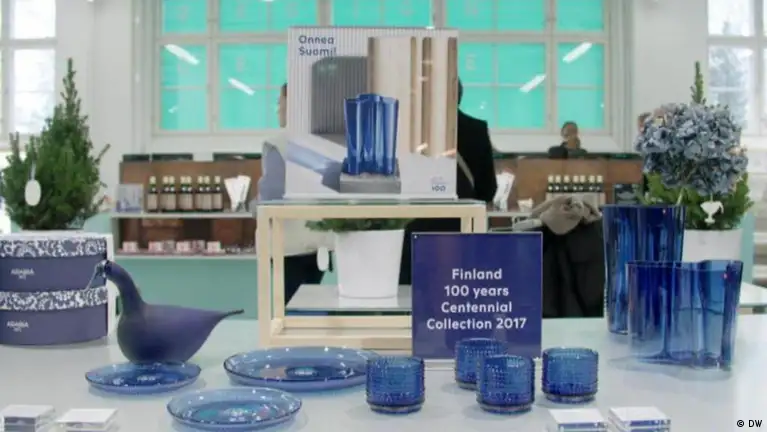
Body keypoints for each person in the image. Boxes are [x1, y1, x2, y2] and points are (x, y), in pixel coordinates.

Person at [398, 80, 498, 285]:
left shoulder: (409, 129)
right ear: (458, 96)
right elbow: (488, 190)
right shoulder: (476, 129)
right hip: (460, 230)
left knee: (411, 293)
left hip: (415, 227)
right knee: (454, 291)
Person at [258, 83, 331, 306]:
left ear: (290, 104)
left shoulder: (278, 143)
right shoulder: (325, 141)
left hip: (288, 246)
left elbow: (272, 196)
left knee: (289, 310)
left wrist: (253, 206)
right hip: (321, 244)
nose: (277, 108)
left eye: (279, 101)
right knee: (309, 307)